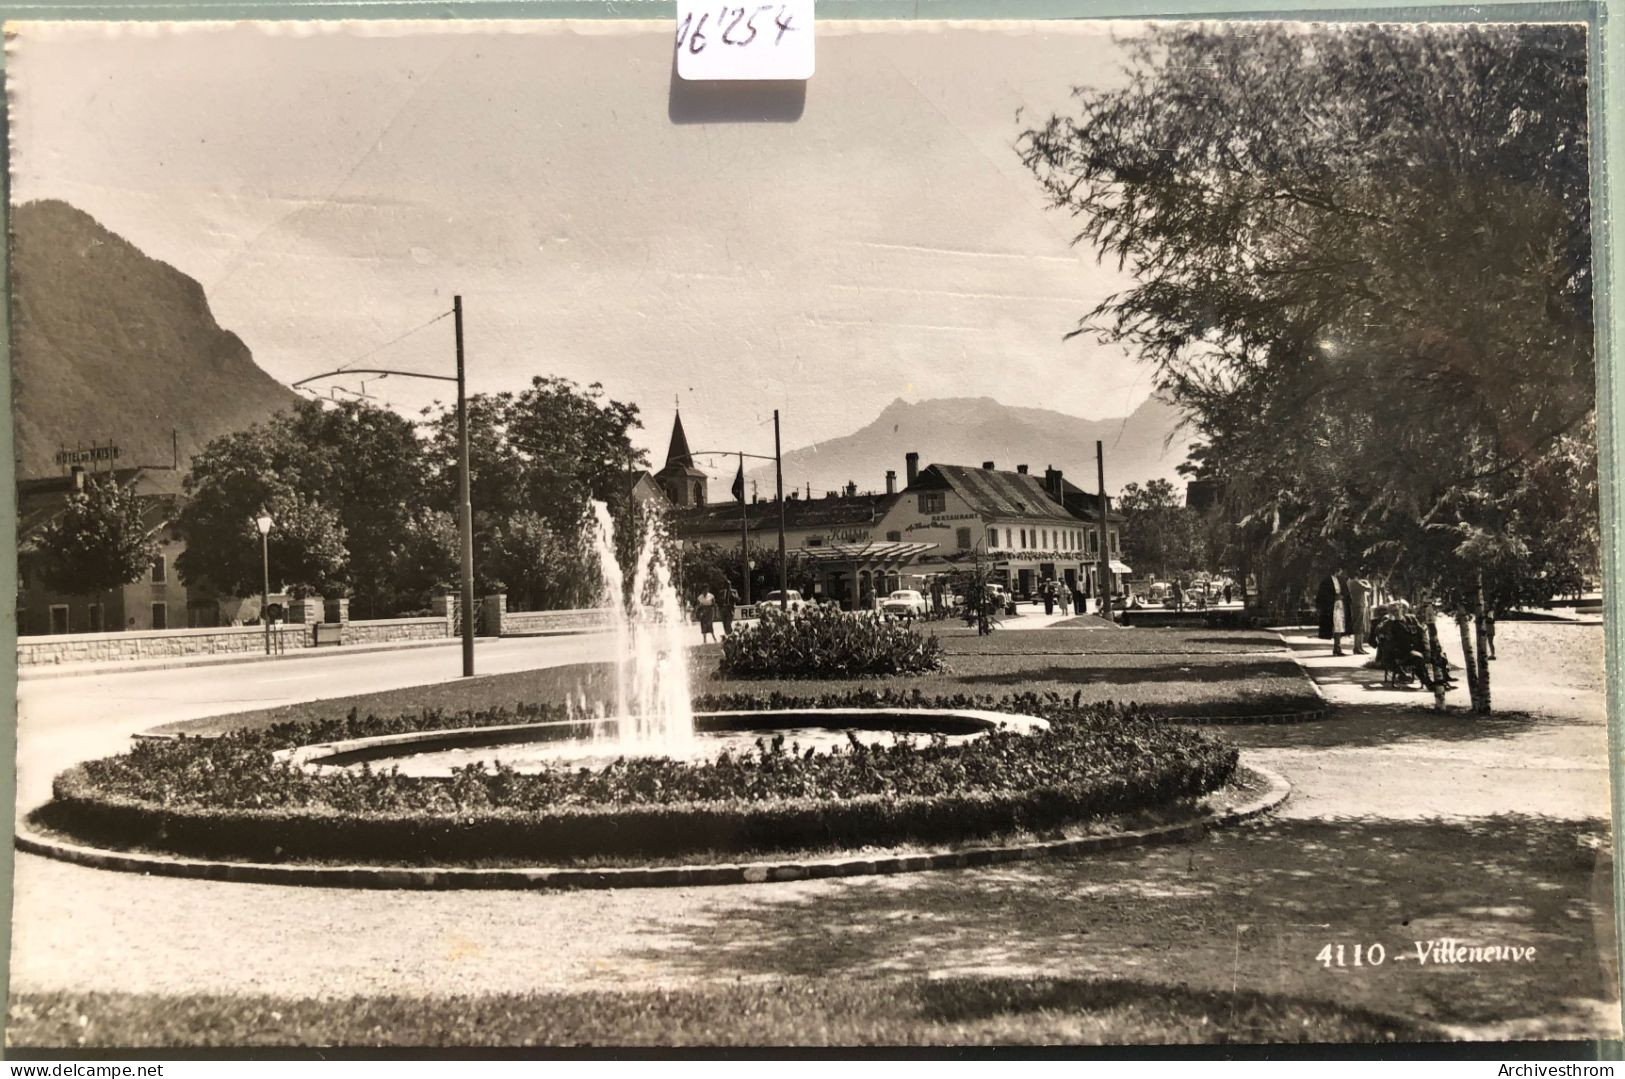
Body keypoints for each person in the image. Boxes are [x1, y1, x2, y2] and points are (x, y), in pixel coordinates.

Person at [1316, 570, 1349, 656]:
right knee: (1334, 626)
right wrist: (1333, 597)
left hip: (1340, 605)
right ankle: (1337, 648)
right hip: (1331, 606)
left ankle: (1337, 648)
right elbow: (1323, 594)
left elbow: (1345, 592)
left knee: (1339, 626)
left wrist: (1342, 597)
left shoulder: (1341, 580)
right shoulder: (1327, 581)